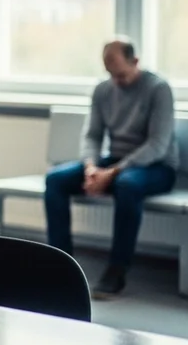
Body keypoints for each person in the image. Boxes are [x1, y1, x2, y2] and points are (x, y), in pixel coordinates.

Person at [44, 38, 178, 297]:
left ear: (135, 62)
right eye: (110, 75)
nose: (116, 82)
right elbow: (93, 135)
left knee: (127, 185)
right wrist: (92, 168)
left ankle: (117, 271)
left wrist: (111, 173)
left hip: (157, 167)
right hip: (114, 161)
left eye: (121, 75)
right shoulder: (103, 90)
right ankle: (61, 264)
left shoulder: (159, 89)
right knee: (55, 180)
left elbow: (157, 145)